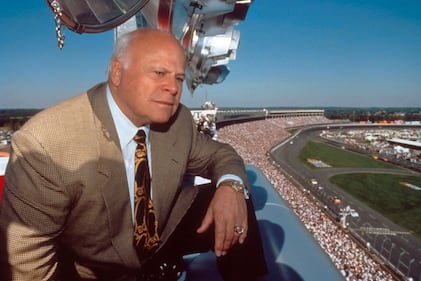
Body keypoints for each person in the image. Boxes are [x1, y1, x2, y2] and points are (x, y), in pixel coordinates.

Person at [0, 29, 266, 280]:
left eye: (178, 78)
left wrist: (231, 186)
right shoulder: (47, 142)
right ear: (117, 73)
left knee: (237, 198)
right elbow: (27, 265)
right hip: (92, 267)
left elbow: (220, 154)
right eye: (159, 72)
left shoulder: (178, 120)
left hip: (159, 234)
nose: (173, 88)